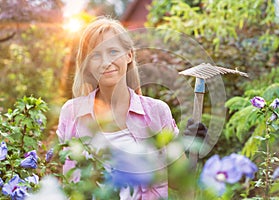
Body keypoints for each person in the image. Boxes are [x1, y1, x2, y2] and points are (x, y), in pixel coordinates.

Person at [56, 16, 207, 200]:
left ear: (129, 55)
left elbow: (178, 182)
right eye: (95, 55)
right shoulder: (71, 114)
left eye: (112, 51)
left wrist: (190, 146)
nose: (105, 62)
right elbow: (62, 183)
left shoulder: (156, 113)